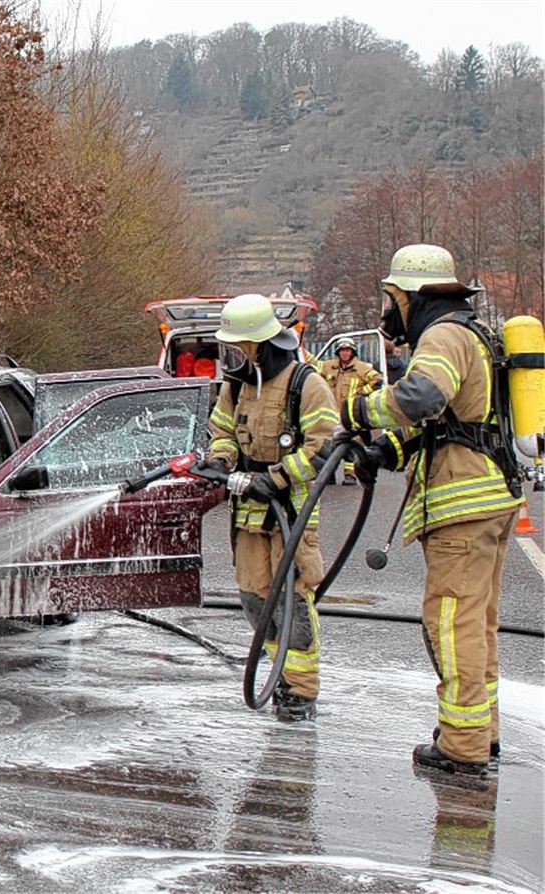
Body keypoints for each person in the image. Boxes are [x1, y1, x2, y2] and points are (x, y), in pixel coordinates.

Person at [342, 244, 524, 777]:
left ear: (412, 296)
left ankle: (462, 745)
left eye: (391, 299)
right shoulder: (474, 334)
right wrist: (386, 449)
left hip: (462, 506)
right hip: (491, 497)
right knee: (476, 622)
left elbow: (421, 398)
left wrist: (360, 411)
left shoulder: (442, 334)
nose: (388, 311)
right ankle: (480, 732)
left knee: (449, 622)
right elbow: (449, 424)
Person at [201, 293, 338, 721]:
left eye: (235, 347)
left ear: (259, 343)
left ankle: (300, 690)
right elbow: (221, 430)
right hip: (249, 513)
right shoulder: (236, 385)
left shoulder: (305, 384)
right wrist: (221, 460)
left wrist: (274, 478)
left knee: (292, 602)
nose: (229, 356)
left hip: (289, 513)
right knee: (255, 599)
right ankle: (280, 673)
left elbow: (325, 447)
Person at [312, 336, 383, 485]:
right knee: (329, 444)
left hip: (350, 414)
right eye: (342, 351)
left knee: (350, 444)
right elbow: (312, 364)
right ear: (338, 352)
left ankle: (350, 475)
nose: (345, 353)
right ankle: (329, 475)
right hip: (332, 412)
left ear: (353, 352)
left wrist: (362, 393)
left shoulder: (362, 368)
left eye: (348, 351)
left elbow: (377, 380)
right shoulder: (329, 366)